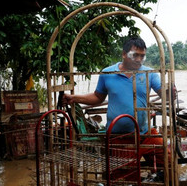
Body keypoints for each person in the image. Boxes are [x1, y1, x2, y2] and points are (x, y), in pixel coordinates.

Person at [62, 37, 169, 178]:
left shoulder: (149, 73)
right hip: (119, 137)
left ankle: (156, 177)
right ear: (124, 54)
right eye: (135, 55)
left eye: (142, 56)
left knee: (168, 159)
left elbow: (163, 94)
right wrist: (75, 98)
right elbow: (98, 97)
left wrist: (169, 92)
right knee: (125, 176)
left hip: (145, 133)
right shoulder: (108, 73)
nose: (139, 59)